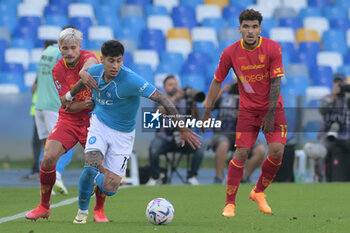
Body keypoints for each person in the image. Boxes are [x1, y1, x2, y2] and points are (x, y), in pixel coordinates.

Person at [60, 40, 201, 223]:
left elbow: (163, 99)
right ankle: (82, 213)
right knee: (90, 166)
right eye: (111, 61)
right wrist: (69, 96)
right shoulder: (94, 72)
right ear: (102, 60)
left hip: (123, 134)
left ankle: (101, 178)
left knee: (110, 189)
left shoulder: (132, 80)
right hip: (99, 124)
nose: (116, 65)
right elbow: (82, 82)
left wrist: (182, 127)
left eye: (119, 60)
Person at [202, 9, 287, 217]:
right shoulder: (230, 52)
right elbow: (217, 81)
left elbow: (276, 82)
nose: (250, 31)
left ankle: (258, 192)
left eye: (254, 26)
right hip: (248, 111)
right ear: (239, 28)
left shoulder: (272, 48)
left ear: (260, 29)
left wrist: (268, 114)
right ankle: (230, 203)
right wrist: (207, 110)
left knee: (277, 152)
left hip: (272, 108)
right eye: (246, 26)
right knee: (241, 153)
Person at [25, 27, 108, 222]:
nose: (69, 52)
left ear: (79, 47)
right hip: (69, 118)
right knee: (48, 158)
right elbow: (67, 104)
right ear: (59, 49)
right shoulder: (57, 69)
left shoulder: (87, 58)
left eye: (73, 48)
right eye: (65, 48)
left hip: (93, 121)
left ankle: (99, 210)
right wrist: (83, 104)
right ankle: (44, 206)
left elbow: (92, 61)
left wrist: (84, 71)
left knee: (102, 168)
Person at [26, 39, 75, 195]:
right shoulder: (61, 55)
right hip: (54, 107)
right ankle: (57, 175)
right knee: (65, 145)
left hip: (39, 106)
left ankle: (45, 183)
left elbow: (36, 83)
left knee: (46, 146)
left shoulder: (45, 53)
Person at [146, 75, 205, 186]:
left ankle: (192, 176)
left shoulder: (185, 100)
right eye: (170, 85)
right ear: (164, 88)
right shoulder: (159, 98)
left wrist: (193, 102)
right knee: (153, 148)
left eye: (175, 84)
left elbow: (196, 116)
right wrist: (175, 98)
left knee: (200, 147)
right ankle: (155, 177)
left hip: (184, 137)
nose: (174, 87)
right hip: (165, 137)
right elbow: (156, 115)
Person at [210, 83, 266, 184]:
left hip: (244, 135)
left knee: (261, 150)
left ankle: (245, 178)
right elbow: (208, 105)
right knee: (223, 145)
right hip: (223, 133)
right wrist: (222, 91)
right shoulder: (223, 97)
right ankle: (218, 178)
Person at [318, 73, 350, 181]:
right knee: (321, 152)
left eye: (341, 82)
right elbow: (322, 110)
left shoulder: (348, 98)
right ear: (333, 83)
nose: (339, 85)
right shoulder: (326, 97)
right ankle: (321, 178)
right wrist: (332, 96)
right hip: (328, 135)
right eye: (337, 82)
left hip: (346, 135)